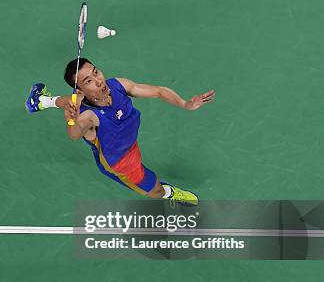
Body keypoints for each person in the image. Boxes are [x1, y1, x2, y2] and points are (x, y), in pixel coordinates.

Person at [25, 58, 215, 205]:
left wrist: (185, 104)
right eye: (88, 81)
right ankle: (168, 193)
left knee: (74, 101)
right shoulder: (89, 116)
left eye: (96, 72)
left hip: (128, 141)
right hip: (121, 162)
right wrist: (70, 119)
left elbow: (157, 91)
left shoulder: (117, 85)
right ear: (80, 90)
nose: (99, 81)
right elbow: (74, 134)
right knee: (153, 189)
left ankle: (41, 101)